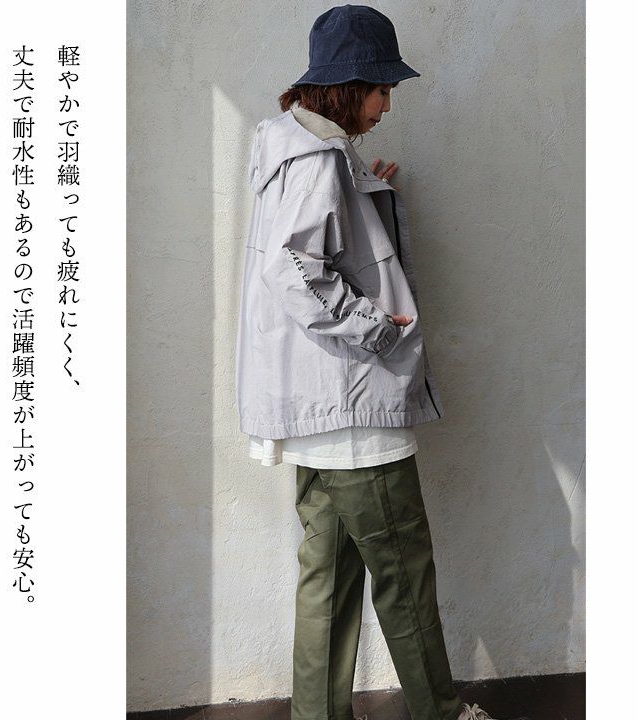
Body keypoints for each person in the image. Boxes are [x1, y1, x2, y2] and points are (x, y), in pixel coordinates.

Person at [235, 6, 529, 720]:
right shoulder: (317, 161)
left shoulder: (294, 149)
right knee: (404, 575)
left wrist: (370, 193)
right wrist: (373, 328)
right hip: (353, 410)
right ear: (346, 86)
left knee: (328, 583)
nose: (387, 104)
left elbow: (312, 248)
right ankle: (441, 713)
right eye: (380, 89)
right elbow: (294, 270)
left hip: (315, 410)